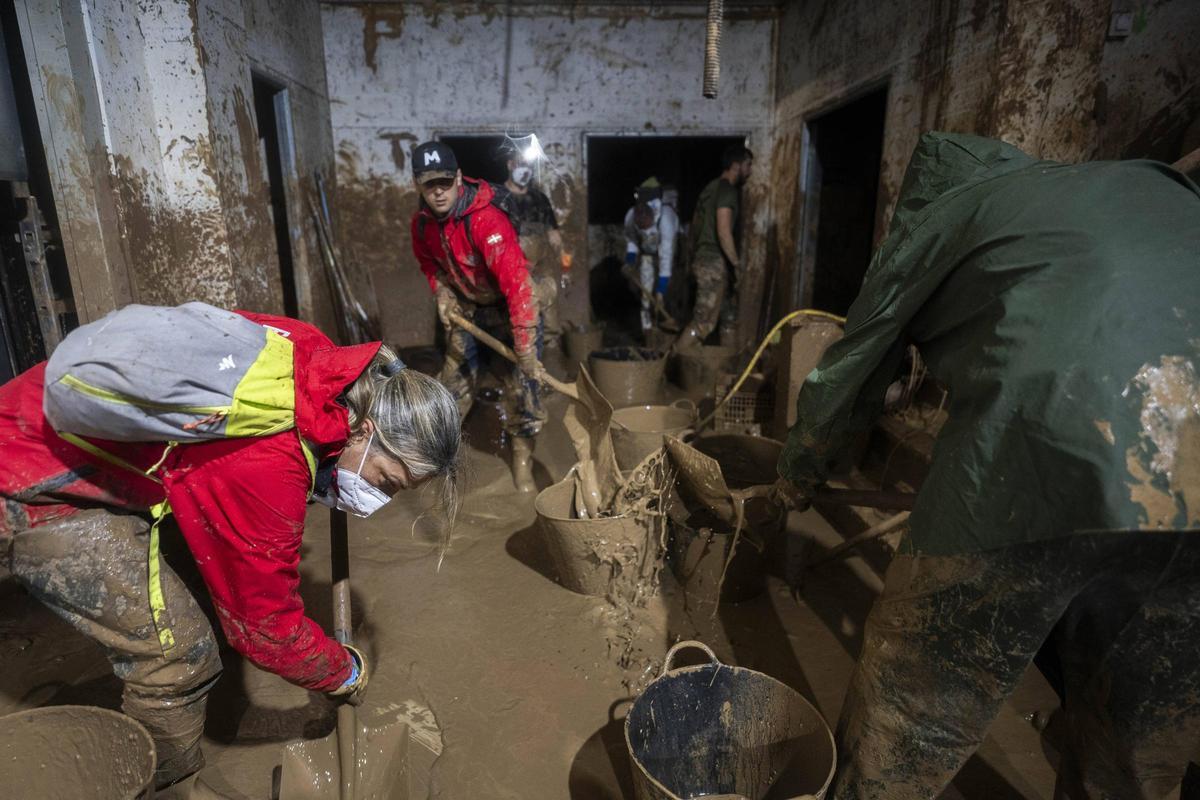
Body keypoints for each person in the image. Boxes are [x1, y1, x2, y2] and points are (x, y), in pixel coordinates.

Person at [778, 132, 1200, 799]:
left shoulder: (952, 210)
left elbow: (856, 361)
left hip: (1048, 442)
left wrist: (801, 466)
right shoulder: (1136, 187)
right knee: (1136, 740)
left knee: (915, 698)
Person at [0, 303, 463, 799]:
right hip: (38, 479)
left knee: (207, 591)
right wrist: (343, 673)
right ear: (366, 432)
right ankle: (172, 786)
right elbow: (266, 631)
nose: (380, 498)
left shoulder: (319, 359)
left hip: (78, 433)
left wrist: (330, 467)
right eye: (386, 481)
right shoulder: (270, 465)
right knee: (180, 655)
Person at [409, 140, 545, 493]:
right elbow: (429, 264)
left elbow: (518, 286)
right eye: (429, 185)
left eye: (444, 182)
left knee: (522, 389)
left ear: (458, 177)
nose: (438, 192)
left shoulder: (486, 220)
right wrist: (442, 291)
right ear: (417, 185)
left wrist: (525, 347)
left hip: (507, 308)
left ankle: (523, 461)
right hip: (468, 310)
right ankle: (440, 461)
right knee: (451, 388)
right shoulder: (423, 226)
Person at [675, 143, 753, 350]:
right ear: (736, 165)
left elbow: (695, 225)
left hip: (706, 260)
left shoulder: (709, 189)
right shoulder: (727, 190)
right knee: (703, 322)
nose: (750, 171)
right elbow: (723, 231)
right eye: (748, 165)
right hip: (714, 262)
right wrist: (736, 264)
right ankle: (672, 361)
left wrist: (694, 256)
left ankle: (728, 364)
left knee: (728, 317)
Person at [497, 150, 571, 351]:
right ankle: (515, 360)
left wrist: (565, 265)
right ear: (510, 164)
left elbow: (554, 236)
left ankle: (549, 357)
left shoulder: (539, 199)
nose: (525, 170)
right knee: (515, 314)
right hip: (511, 266)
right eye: (520, 164)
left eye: (528, 165)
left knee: (549, 312)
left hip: (540, 265)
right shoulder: (499, 198)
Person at [623, 177, 679, 337]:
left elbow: (666, 258)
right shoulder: (630, 217)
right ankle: (647, 331)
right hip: (647, 254)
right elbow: (632, 240)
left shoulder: (666, 220)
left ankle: (666, 326)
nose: (646, 233)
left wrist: (660, 290)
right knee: (645, 294)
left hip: (667, 252)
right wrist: (630, 261)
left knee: (666, 294)